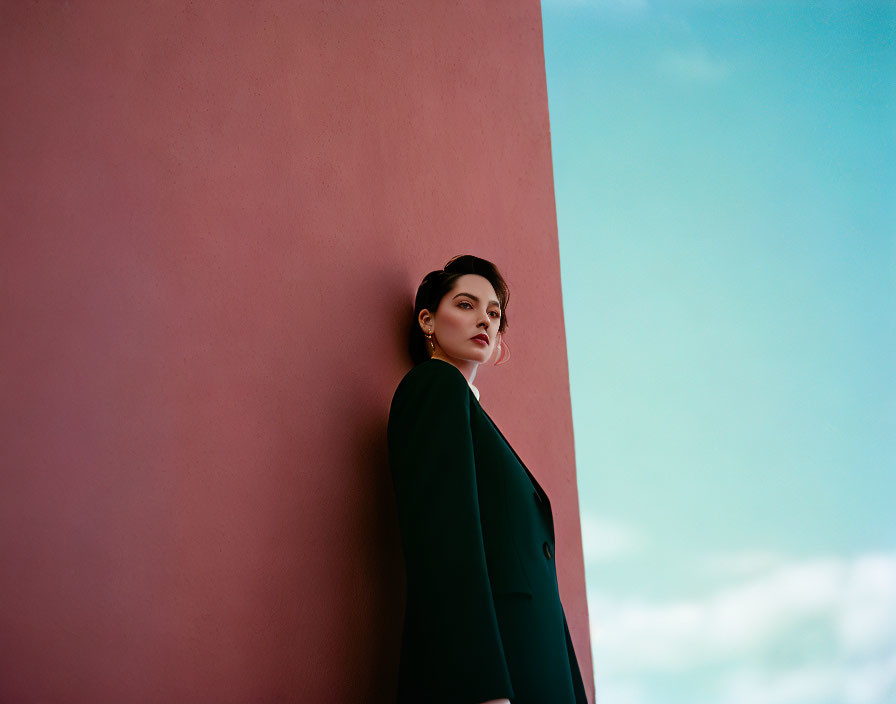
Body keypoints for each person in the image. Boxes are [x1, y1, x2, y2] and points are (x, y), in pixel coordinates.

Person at [387, 255, 589, 704]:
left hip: (538, 668)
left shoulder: (471, 415)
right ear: (427, 320)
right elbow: (442, 542)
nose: (484, 318)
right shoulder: (435, 388)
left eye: (494, 312)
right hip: (501, 675)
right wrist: (481, 686)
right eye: (465, 304)